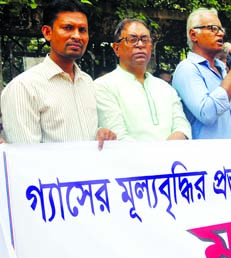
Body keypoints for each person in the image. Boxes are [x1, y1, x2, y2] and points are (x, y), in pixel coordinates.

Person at [0, 0, 115, 148]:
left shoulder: (86, 82)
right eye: (68, 28)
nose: (77, 36)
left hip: (93, 170)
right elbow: (27, 158)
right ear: (48, 33)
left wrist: (100, 133)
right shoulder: (24, 87)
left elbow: (81, 133)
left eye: (82, 30)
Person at [95, 19, 191, 141]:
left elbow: (182, 126)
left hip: (171, 158)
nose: (140, 45)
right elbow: (118, 136)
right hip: (130, 159)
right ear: (116, 48)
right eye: (132, 39)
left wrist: (171, 147)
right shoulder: (103, 86)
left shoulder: (165, 87)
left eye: (145, 40)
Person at [172, 8, 231, 139]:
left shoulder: (222, 69)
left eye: (221, 29)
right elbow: (207, 114)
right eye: (213, 28)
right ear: (193, 35)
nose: (220, 34)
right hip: (209, 157)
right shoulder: (187, 69)